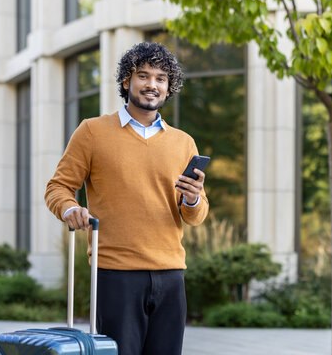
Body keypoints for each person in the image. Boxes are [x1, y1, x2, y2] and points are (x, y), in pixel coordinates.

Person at [45, 42, 209, 355]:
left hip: (171, 275)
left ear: (168, 86)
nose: (152, 85)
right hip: (115, 275)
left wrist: (192, 200)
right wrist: (69, 209)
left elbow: (196, 214)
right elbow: (58, 187)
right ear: (126, 81)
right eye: (143, 76)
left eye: (161, 78)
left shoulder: (183, 142)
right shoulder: (92, 132)